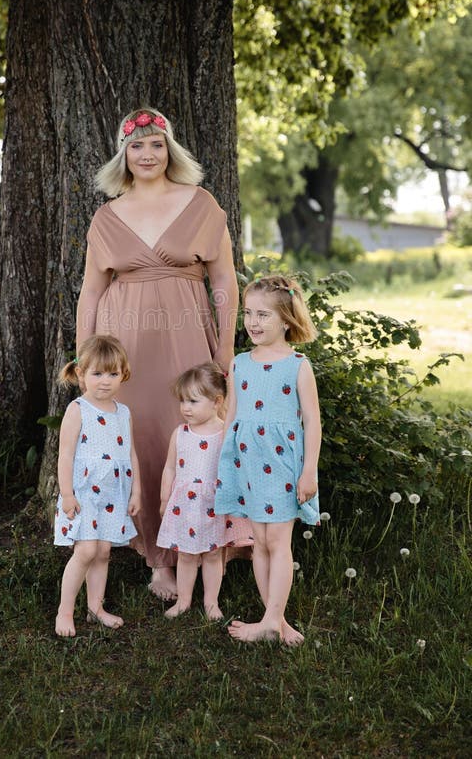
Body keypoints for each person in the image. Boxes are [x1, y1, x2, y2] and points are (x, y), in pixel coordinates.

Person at [76, 107, 238, 600]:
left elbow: (225, 280)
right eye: (137, 145)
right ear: (123, 155)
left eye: (157, 144)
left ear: (171, 150)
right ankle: (156, 557)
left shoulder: (200, 203)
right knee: (141, 434)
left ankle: (202, 545)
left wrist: (226, 349)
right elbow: (90, 292)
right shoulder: (107, 216)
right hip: (126, 342)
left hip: (187, 334)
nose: (148, 154)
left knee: (187, 429)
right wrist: (87, 359)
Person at [214, 275, 321, 645]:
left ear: (287, 320)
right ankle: (274, 620)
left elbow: (312, 423)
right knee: (258, 542)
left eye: (264, 315)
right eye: (248, 313)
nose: (254, 322)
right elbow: (232, 417)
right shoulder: (240, 364)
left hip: (282, 466)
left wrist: (309, 472)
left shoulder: (298, 366)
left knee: (278, 542)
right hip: (248, 463)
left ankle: (271, 621)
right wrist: (224, 460)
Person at [54, 335, 141, 637]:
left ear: (123, 374)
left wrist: (137, 490)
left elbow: (130, 454)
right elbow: (65, 455)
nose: (105, 381)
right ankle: (65, 611)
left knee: (103, 551)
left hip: (113, 493)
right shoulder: (78, 409)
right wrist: (66, 493)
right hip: (84, 493)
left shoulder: (124, 412)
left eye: (113, 374)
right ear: (81, 374)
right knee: (86, 550)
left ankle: (95, 608)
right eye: (97, 374)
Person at [156, 362, 230, 620]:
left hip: (213, 504)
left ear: (216, 401)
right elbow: (169, 468)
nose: (185, 408)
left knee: (212, 555)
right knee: (186, 555)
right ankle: (184, 601)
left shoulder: (224, 433)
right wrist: (165, 498)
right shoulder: (181, 433)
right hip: (184, 505)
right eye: (183, 401)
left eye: (194, 401)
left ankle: (211, 602)